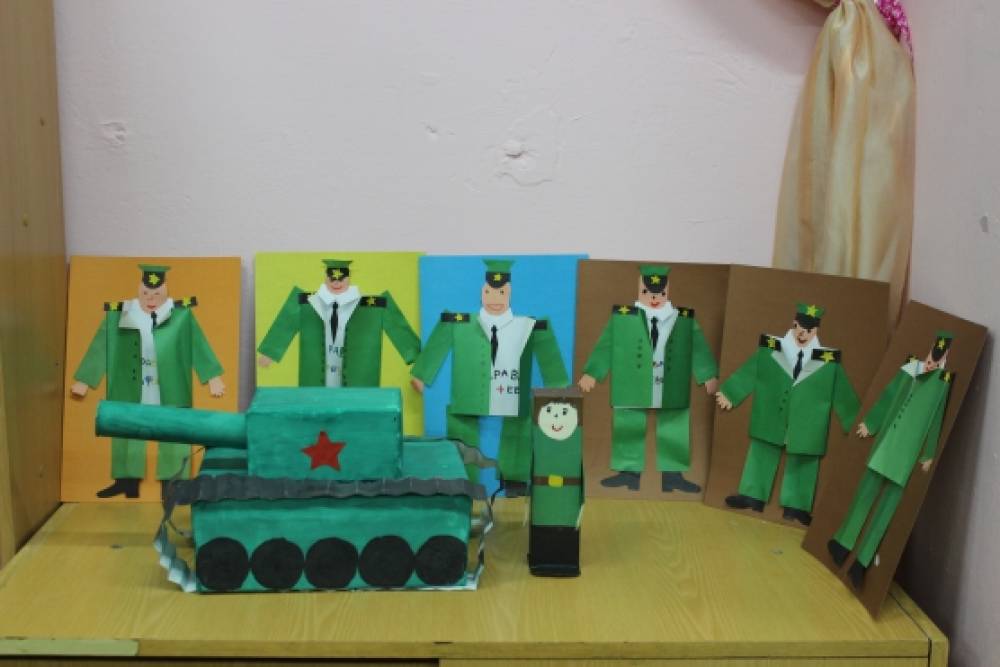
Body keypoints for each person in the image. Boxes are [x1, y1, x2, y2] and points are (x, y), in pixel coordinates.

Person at [410, 259, 569, 495]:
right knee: (461, 430)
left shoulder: (528, 325)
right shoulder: (459, 323)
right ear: (482, 293)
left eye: (501, 293)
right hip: (469, 393)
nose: (495, 299)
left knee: (519, 429)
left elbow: (547, 347)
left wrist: (559, 387)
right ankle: (461, 482)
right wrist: (421, 374)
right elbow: (441, 336)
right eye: (489, 292)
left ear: (509, 294)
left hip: (512, 394)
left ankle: (515, 484)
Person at [71, 264, 225, 498]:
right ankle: (126, 481)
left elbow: (198, 344)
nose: (151, 299)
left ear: (165, 292)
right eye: (146, 293)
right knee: (126, 429)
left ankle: (173, 483)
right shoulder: (119, 315)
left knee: (173, 429)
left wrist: (212, 377)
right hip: (130, 384)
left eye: (157, 294)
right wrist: (84, 380)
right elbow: (100, 346)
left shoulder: (180, 315)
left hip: (170, 385)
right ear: (139, 291)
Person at [827, 332, 955, 588]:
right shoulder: (910, 367)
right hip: (887, 443)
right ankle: (842, 543)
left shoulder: (943, 382)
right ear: (929, 350)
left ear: (945, 359)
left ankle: (862, 562)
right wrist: (871, 423)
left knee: (887, 508)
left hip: (908, 453)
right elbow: (888, 396)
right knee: (865, 494)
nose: (931, 363)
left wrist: (929, 453)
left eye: (937, 360)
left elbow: (937, 418)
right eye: (931, 357)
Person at [578, 265, 718, 493]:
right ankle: (628, 474)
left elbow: (698, 346)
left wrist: (708, 374)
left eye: (660, 293)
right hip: (632, 382)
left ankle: (673, 476)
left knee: (674, 426)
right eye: (647, 293)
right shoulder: (623, 318)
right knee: (628, 424)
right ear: (640, 290)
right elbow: (607, 344)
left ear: (667, 291)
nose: (654, 298)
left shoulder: (683, 318)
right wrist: (592, 372)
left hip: (671, 382)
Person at [717, 303, 860, 525]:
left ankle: (797, 506)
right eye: (799, 328)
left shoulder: (828, 362)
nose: (803, 334)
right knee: (762, 450)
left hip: (807, 422)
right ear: (793, 325)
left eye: (809, 331)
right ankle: (752, 496)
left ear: (816, 331)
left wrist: (855, 421)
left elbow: (843, 393)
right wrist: (730, 392)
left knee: (804, 459)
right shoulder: (772, 349)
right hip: (771, 413)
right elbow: (752, 370)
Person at [257, 259, 420, 387]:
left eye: (341, 278)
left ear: (348, 279)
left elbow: (396, 324)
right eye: (332, 278)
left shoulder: (373, 306)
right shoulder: (306, 303)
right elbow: (287, 319)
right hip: (317, 383)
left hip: (357, 383)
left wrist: (418, 361)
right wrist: (270, 352)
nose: (336, 283)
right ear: (326, 278)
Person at [528, 389, 584, 577]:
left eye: (564, 413)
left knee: (564, 528)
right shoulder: (539, 441)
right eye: (550, 412)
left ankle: (566, 561)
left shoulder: (574, 443)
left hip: (567, 507)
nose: (557, 419)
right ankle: (540, 559)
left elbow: (581, 473)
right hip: (543, 505)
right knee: (542, 525)